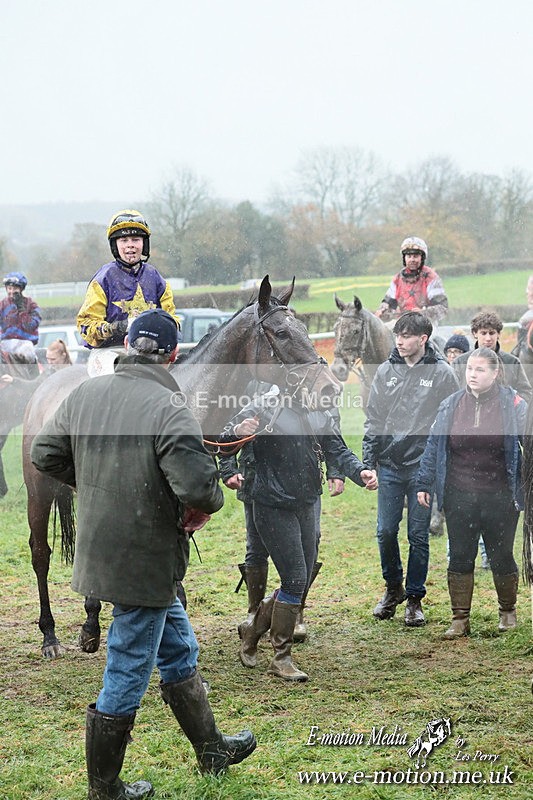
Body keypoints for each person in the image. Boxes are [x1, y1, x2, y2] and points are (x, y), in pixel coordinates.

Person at [30, 308, 256, 799]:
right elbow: (200, 489)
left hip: (105, 553)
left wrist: (98, 486)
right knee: (129, 666)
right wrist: (201, 503)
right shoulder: (170, 407)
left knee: (178, 648)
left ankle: (211, 749)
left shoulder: (85, 394)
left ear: (129, 346)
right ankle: (104, 788)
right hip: (145, 557)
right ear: (172, 355)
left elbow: (43, 453)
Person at [220, 387, 377, 682]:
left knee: (299, 581)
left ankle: (253, 630)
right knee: (294, 579)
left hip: (307, 500)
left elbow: (337, 449)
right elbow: (222, 443)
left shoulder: (320, 410)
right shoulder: (263, 406)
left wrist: (360, 472)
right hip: (270, 503)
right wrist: (238, 432)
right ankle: (281, 658)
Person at [416, 348, 526, 638]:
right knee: (460, 555)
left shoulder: (513, 404)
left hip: (500, 495)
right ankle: (460, 619)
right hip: (459, 494)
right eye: (469, 369)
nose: (472, 375)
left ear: (495, 373)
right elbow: (433, 446)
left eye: (480, 370)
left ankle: (507, 612)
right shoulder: (451, 404)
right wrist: (424, 482)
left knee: (501, 554)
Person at [362, 311, 459, 627]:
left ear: (423, 339)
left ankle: (415, 599)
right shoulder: (385, 371)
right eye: (397, 335)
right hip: (389, 464)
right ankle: (393, 588)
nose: (400, 342)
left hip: (422, 467)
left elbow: (450, 423)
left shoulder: (442, 373)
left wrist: (441, 465)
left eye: (406, 336)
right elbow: (374, 419)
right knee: (385, 531)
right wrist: (368, 462)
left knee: (418, 534)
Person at [77, 209, 178, 349]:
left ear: (144, 244)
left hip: (149, 350)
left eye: (136, 239)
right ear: (115, 246)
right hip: (111, 351)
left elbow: (172, 320)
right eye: (124, 240)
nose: (130, 244)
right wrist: (117, 327)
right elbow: (86, 325)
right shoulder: (103, 279)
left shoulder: (155, 277)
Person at [452, 311, 532, 402]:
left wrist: (510, 403)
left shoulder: (512, 362)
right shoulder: (459, 363)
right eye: (483, 333)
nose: (488, 338)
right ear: (475, 334)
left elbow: (526, 393)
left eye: (492, 333)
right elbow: (451, 395)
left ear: (498, 334)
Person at [374, 237, 448, 324]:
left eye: (415, 256)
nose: (412, 260)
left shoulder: (431, 278)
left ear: (422, 258)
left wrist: (423, 313)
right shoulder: (397, 279)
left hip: (425, 324)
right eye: (409, 256)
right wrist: (382, 311)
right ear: (404, 258)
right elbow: (388, 303)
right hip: (401, 324)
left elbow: (442, 308)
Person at [0, 272, 41, 359]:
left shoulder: (31, 305)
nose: (11, 291)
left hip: (26, 343)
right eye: (9, 288)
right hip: (6, 344)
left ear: (21, 289)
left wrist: (21, 310)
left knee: (26, 350)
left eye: (15, 289)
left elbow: (31, 326)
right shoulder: (2, 305)